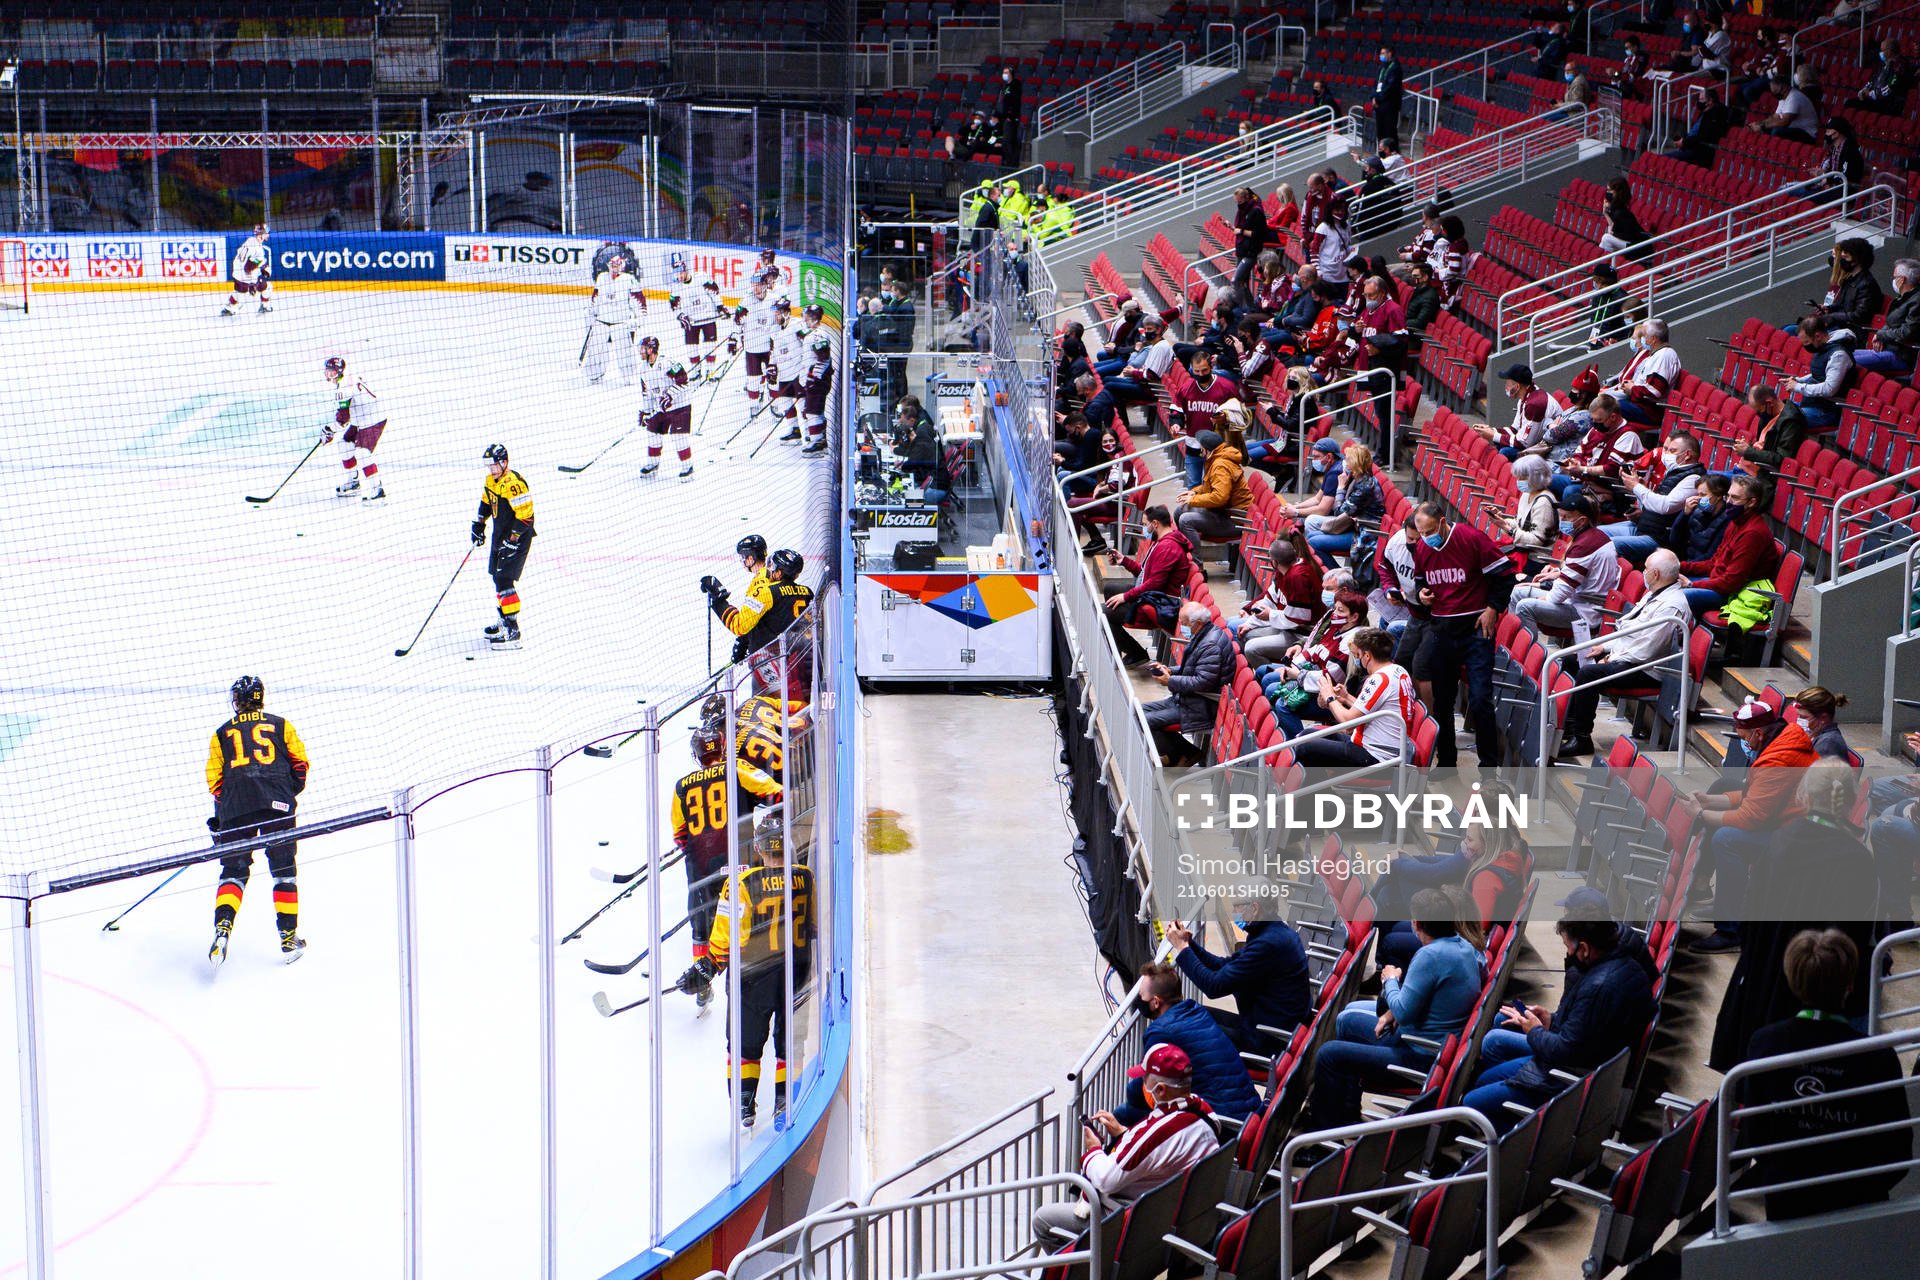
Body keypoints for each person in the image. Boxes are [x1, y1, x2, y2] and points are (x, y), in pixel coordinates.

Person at [1737, 929, 1910, 1220]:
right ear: (1850, 985)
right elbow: (1897, 1151)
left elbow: (1756, 1137)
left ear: (1792, 980)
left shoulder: (1764, 1044)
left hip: (1785, 1200)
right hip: (1859, 1210)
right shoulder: (1878, 1058)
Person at [676, 816, 815, 1131]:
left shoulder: (740, 884)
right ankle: (785, 1103)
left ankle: (744, 1106)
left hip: (752, 979)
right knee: (790, 1044)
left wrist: (707, 967)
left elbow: (724, 940)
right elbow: (815, 925)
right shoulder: (806, 877)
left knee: (745, 1046)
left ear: (758, 848)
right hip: (796, 974)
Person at [1462, 909, 1654, 1131]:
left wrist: (1534, 1030)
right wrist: (1550, 1020)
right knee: (1486, 1072)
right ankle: (1510, 1105)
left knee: (1471, 1103)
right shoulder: (1627, 966)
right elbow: (1584, 1028)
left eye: (1567, 946)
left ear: (1584, 948)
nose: (1567, 952)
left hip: (1566, 1076)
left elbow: (1565, 1050)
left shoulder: (1597, 987)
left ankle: (1523, 1137)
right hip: (1583, 1061)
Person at [1306, 889, 1484, 1129]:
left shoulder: (1430, 956)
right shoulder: (1463, 946)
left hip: (1418, 1055)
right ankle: (1346, 1115)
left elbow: (1402, 1012)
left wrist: (1390, 980)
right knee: (1346, 1023)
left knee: (1329, 1054)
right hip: (1426, 1041)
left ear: (1416, 923)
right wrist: (1392, 1009)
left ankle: (1320, 1131)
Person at [1032, 1043, 1219, 1244]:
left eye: (1145, 1079)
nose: (1142, 1084)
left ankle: (1085, 1264)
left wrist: (1093, 1149)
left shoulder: (1160, 1133)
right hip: (1182, 1214)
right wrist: (1123, 1133)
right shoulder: (1204, 1111)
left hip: (1138, 1224)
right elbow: (1159, 1153)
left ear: (1161, 1090)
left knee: (1043, 1220)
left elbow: (1106, 1179)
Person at [1689, 699, 1821, 954]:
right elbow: (1756, 795)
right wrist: (1709, 801)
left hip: (1799, 837)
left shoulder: (1777, 760)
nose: (1743, 744)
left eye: (1743, 738)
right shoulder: (1783, 739)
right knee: (1722, 794)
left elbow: (1751, 817)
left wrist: (1702, 814)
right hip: (1790, 823)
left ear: (1758, 733)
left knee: (1727, 839)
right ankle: (1719, 899)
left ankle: (1731, 930)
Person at [205, 675, 310, 967]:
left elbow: (215, 781)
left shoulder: (221, 733)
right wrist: (285, 793)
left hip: (236, 807)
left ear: (237, 700)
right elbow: (301, 764)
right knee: (283, 870)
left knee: (234, 871)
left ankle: (223, 928)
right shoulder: (281, 725)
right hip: (278, 805)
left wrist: (226, 811)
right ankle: (288, 937)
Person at [1554, 549, 1694, 758]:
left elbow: (1647, 649)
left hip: (1646, 669)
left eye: (1646, 568)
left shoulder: (1672, 605)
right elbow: (1630, 631)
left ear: (1655, 574)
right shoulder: (1654, 593)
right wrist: (1604, 648)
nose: (1643, 572)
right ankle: (1567, 728)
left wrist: (1611, 657)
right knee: (1572, 661)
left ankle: (1581, 739)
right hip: (1630, 657)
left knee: (1589, 674)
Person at [1410, 501, 1517, 767]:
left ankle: (1489, 768)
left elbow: (1506, 576)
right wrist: (1422, 594)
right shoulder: (1422, 547)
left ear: (1442, 522)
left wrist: (1493, 608)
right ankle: (1447, 762)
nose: (1426, 537)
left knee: (1480, 699)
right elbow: (1420, 581)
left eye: (1430, 531)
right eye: (1421, 533)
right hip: (1441, 629)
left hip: (1476, 628)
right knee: (1442, 700)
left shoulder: (1472, 539)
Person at [1114, 964, 1263, 1126]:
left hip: (1220, 1119)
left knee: (1122, 1113)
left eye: (1141, 996)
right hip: (1250, 1111)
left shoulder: (1160, 1031)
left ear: (1156, 1002)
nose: (1139, 1000)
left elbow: (1143, 1086)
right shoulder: (1196, 1010)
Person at [1166, 914, 1311, 1056]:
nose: (1234, 913)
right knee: (1190, 1011)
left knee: (1183, 1029)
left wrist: (1182, 948)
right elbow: (1223, 965)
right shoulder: (1272, 931)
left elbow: (1213, 986)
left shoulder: (1268, 944)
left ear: (1254, 908)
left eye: (1238, 907)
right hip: (1262, 1027)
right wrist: (1189, 944)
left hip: (1267, 1042)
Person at [669, 722, 735, 1014]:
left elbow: (679, 834)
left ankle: (702, 985)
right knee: (737, 912)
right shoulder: (735, 771)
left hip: (700, 867)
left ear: (696, 755)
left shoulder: (682, 786)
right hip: (734, 859)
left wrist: (697, 848)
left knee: (701, 925)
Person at [1290, 627, 1416, 768]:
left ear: (1367, 656)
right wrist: (1346, 698)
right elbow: (1370, 710)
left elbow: (1348, 724)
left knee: (1304, 747)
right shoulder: (1397, 670)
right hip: (1374, 745)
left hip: (1377, 756)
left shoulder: (1381, 679)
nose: (1356, 659)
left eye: (1357, 655)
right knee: (1307, 734)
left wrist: (1330, 698)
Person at [1511, 492, 1620, 645]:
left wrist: (1541, 596)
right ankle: (1510, 644)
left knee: (1525, 606)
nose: (1561, 521)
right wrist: (1557, 575)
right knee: (1518, 592)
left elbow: (1558, 595)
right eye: (1561, 516)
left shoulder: (1584, 545)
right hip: (1578, 598)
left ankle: (1525, 652)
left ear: (1582, 521)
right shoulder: (1593, 536)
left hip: (1586, 610)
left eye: (1566, 517)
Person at [1143, 601, 1233, 766]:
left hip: (1202, 706)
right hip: (1189, 699)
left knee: (1146, 720)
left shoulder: (1210, 645)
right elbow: (1193, 669)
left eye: (1184, 623)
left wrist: (1171, 681)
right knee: (1138, 711)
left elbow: (1203, 682)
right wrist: (1170, 671)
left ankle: (1181, 755)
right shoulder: (1203, 634)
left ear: (1197, 623)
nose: (1181, 627)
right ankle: (1185, 753)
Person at [1103, 507, 1194, 665]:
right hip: (1152, 595)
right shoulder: (1161, 542)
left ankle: (1134, 652)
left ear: (1155, 523)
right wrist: (1124, 561)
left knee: (1104, 612)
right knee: (1110, 589)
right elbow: (1145, 573)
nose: (1144, 528)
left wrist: (1126, 596)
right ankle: (1125, 647)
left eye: (1145, 524)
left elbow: (1155, 584)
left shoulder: (1168, 548)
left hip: (1159, 603)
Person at [1600, 430, 1706, 563]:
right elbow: (1652, 504)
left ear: (1687, 455)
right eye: (1666, 449)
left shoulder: (1694, 478)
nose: (1665, 454)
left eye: (1672, 451)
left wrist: (1636, 487)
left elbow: (1665, 506)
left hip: (1659, 539)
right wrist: (1640, 488)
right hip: (1643, 528)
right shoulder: (1674, 473)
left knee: (1606, 545)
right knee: (1595, 534)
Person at [1678, 474, 1777, 616]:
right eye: (1728, 496)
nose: (1729, 502)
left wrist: (1691, 584)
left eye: (1735, 498)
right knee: (1666, 582)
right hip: (1716, 582)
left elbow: (1731, 583)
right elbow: (1714, 563)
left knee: (1675, 597)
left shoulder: (1752, 534)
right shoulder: (1735, 522)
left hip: (1733, 594)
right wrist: (1678, 566)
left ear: (1751, 502)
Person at [473, 443, 535, 647]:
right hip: (501, 535)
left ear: (504, 463)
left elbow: (526, 517)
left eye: (494, 465)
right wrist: (479, 524)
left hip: (517, 537)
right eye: (489, 466)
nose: (491, 469)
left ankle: (512, 630)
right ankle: (504, 620)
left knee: (504, 580)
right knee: (496, 577)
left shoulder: (514, 484)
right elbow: (486, 503)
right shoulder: (491, 480)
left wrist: (513, 540)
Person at [711, 546, 811, 665]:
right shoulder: (807, 592)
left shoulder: (766, 592)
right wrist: (745, 639)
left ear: (779, 573)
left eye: (772, 566)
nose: (768, 569)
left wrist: (719, 602)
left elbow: (739, 625)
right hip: (802, 658)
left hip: (770, 663)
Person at [1234, 537, 1324, 665]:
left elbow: (1299, 619)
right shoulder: (1283, 571)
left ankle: (1271, 674)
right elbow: (1269, 600)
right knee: (1245, 633)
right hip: (1288, 628)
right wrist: (1250, 623)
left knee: (1251, 648)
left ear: (1274, 562)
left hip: (1302, 636)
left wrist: (1270, 615)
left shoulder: (1298, 577)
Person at [1165, 352, 1241, 487]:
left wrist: (1226, 418)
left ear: (1211, 367)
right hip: (1193, 444)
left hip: (1219, 446)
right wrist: (1176, 424)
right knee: (1193, 486)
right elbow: (1177, 410)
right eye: (1197, 371)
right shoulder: (1186, 388)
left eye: (1204, 370)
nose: (1200, 374)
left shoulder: (1227, 387)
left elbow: (1240, 415)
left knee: (1212, 486)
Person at [320, 355, 389, 501]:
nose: (329, 374)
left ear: (339, 372)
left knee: (363, 453)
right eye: (327, 371)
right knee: (344, 445)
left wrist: (329, 429)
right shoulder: (348, 379)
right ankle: (354, 482)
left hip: (373, 419)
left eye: (332, 372)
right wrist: (331, 429)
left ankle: (378, 491)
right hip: (361, 418)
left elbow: (343, 420)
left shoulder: (342, 388)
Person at [1305, 442, 1384, 569]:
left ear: (1355, 463)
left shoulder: (1365, 486)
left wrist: (1340, 488)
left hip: (1365, 534)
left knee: (1314, 542)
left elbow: (1339, 512)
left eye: (1347, 460)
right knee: (1311, 536)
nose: (1344, 463)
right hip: (1355, 526)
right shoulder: (1358, 478)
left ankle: (1337, 575)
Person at [1175, 430, 1252, 548]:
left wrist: (1193, 499)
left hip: (1235, 520)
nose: (1200, 450)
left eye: (1202, 448)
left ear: (1208, 450)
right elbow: (1212, 485)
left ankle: (1194, 559)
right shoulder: (1217, 459)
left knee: (1185, 520)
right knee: (1179, 510)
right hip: (1223, 513)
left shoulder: (1220, 466)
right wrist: (1194, 492)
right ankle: (1181, 549)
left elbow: (1219, 497)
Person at [1789, 314, 1858, 435]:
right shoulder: (1823, 347)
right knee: (1774, 411)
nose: (1806, 346)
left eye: (1807, 342)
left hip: (1827, 411)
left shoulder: (1838, 355)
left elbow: (1829, 389)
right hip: (1813, 404)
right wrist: (1798, 380)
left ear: (1818, 336)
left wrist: (1798, 387)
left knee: (1785, 421)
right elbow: (1818, 374)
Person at [583, 251, 644, 384]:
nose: (615, 268)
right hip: (601, 322)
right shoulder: (602, 278)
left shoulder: (629, 279)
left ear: (622, 265)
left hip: (620, 323)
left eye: (617, 265)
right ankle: (595, 375)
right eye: (612, 265)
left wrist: (638, 320)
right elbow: (596, 298)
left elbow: (639, 302)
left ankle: (629, 377)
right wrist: (591, 312)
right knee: (595, 350)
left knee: (625, 352)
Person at [1854, 256, 1920, 376]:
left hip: (1901, 355)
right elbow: (1891, 322)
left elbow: (1906, 332)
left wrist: (1881, 335)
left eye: (1894, 277)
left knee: (1847, 361)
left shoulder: (1916, 301)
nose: (1893, 280)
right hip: (1889, 348)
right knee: (1843, 355)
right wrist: (1881, 336)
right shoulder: (1903, 297)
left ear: (1902, 280)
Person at [1475, 363, 1558, 457]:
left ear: (1517, 387)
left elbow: (1524, 443)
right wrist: (1490, 430)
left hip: (1549, 449)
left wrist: (1493, 435)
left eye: (1507, 384)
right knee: (1499, 442)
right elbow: (1514, 430)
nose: (1505, 387)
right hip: (1533, 442)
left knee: (1504, 452)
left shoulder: (1535, 404)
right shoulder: (1526, 397)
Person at [1609, 319, 1680, 429]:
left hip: (1651, 411)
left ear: (1653, 339)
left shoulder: (1664, 356)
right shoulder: (1657, 354)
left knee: (1607, 407)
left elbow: (1655, 391)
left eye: (1644, 336)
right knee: (1606, 402)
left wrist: (1633, 389)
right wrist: (1632, 385)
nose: (1642, 339)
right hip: (1643, 405)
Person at [1805, 238, 1883, 337]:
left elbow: (1859, 316)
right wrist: (1828, 309)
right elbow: (1841, 304)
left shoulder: (1866, 284)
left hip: (1853, 332)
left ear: (1857, 260)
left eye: (1845, 257)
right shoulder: (1851, 279)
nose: (1841, 261)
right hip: (1842, 326)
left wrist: (1833, 317)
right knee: (1796, 328)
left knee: (1808, 333)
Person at [1737, 384, 1808, 479]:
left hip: (1760, 479)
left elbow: (1781, 459)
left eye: (1759, 411)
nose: (1759, 415)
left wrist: (1748, 452)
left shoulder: (1791, 422)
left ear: (1769, 403)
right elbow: (1763, 445)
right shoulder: (1769, 415)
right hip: (1745, 470)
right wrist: (1746, 447)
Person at [1503, 455, 1560, 570]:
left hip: (1536, 560)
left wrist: (1509, 530)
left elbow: (1537, 540)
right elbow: (1521, 524)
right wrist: (1502, 521)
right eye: (1518, 477)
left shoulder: (1543, 502)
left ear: (1536, 478)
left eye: (1522, 478)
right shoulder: (1526, 494)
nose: (1518, 481)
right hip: (1522, 550)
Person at [734, 275, 780, 414]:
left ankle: (774, 405)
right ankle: (754, 405)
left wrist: (776, 337)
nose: (756, 288)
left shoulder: (774, 299)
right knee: (753, 380)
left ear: (765, 285)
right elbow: (737, 323)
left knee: (774, 379)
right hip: (752, 347)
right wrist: (734, 338)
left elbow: (780, 322)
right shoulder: (746, 301)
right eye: (753, 285)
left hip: (770, 348)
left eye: (758, 285)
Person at [1846, 35, 1915, 112]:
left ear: (1889, 52)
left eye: (1882, 50)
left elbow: (1890, 87)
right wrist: (1864, 89)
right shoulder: (1883, 63)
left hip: (1889, 103)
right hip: (1876, 99)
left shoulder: (1900, 66)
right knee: (1850, 103)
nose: (1880, 53)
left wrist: (1870, 94)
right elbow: (1873, 79)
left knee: (1853, 105)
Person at [1748, 72, 1819, 144]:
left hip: (1807, 133)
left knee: (1777, 131)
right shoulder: (1783, 98)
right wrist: (1759, 123)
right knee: (1768, 128)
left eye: (1775, 90)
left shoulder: (1794, 97)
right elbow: (1775, 117)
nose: (1773, 93)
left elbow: (1785, 121)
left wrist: (1763, 126)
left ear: (1784, 87)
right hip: (1793, 129)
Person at [221, 222, 272, 316]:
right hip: (246, 276)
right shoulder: (259, 251)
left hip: (236, 272)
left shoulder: (250, 240)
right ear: (260, 235)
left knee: (239, 292)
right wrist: (253, 283)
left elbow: (244, 259)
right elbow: (248, 268)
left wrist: (261, 265)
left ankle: (228, 307)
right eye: (266, 233)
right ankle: (265, 306)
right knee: (267, 286)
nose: (268, 235)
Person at [1231, 185, 1272, 293]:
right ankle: (1247, 303)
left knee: (1237, 281)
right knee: (1243, 282)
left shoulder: (1256, 211)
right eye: (1236, 202)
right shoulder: (1242, 211)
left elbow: (1259, 233)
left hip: (1251, 252)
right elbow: (1240, 228)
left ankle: (1247, 303)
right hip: (1241, 250)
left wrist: (1241, 231)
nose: (1238, 204)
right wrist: (1234, 228)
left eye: (1240, 202)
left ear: (1246, 198)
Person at [1598, 177, 1650, 258]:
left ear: (1617, 192)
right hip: (1629, 243)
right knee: (1606, 238)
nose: (1607, 193)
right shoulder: (1616, 208)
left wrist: (1612, 231)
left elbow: (1614, 232)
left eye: (1610, 190)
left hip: (1639, 248)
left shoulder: (1621, 212)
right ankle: (1602, 260)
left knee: (1606, 238)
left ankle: (1602, 261)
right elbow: (1612, 227)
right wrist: (1605, 213)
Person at [1585, 261, 1632, 349]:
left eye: (1597, 281)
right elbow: (1594, 318)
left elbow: (1624, 327)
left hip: (1611, 344)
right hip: (1595, 341)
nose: (1596, 284)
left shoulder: (1622, 299)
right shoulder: (1598, 295)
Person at [1403, 262, 1441, 355]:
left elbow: (1420, 322)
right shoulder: (1419, 290)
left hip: (1414, 338)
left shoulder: (1429, 297)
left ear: (1425, 277)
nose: (1413, 279)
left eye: (1416, 276)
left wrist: (1400, 323)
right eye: (1412, 276)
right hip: (1407, 331)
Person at [1373, 46, 1404, 147]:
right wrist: (1374, 97)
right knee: (1380, 132)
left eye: (1383, 53)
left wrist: (1378, 98)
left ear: (1389, 54)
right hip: (1379, 105)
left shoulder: (1395, 68)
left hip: (1390, 105)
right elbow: (1376, 84)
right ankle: (1381, 153)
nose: (1380, 56)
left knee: (1389, 132)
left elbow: (1390, 87)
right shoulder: (1382, 67)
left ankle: (1392, 152)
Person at [996, 64, 1024, 161]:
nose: (1004, 74)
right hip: (1004, 116)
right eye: (1003, 72)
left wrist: (1010, 116)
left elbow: (1015, 101)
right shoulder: (1005, 86)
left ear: (1011, 74)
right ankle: (1007, 160)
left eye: (1006, 72)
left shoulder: (1015, 85)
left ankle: (1011, 161)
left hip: (1012, 117)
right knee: (1006, 140)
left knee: (1009, 140)